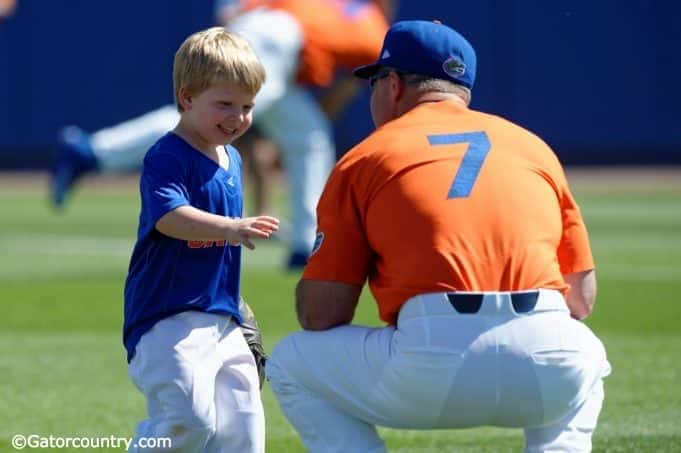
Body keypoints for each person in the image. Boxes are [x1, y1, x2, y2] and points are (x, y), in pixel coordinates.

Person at [266, 20, 611, 452]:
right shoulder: (534, 147)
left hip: (430, 364)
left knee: (290, 362)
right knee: (588, 356)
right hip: (546, 362)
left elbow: (320, 314)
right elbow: (581, 299)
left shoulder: (366, 157)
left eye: (375, 81)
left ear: (392, 85)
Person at [51, 0, 391, 269]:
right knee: (203, 114)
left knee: (308, 137)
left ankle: (304, 245)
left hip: (259, 28)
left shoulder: (333, 5)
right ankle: (93, 150)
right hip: (276, 41)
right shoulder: (375, 29)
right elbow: (342, 95)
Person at [123, 27, 279, 452]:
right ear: (187, 97)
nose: (238, 117)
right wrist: (232, 228)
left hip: (222, 316)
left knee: (244, 429)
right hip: (167, 317)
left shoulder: (231, 157)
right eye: (224, 104)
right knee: (188, 421)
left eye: (247, 106)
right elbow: (171, 219)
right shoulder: (167, 154)